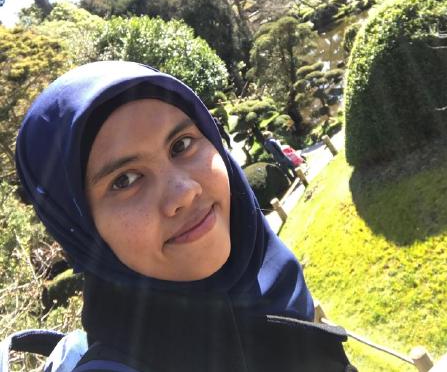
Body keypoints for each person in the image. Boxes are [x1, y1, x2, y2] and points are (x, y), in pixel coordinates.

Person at [15, 61, 355, 371]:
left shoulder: (274, 276)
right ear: (78, 229)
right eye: (125, 180)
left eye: (181, 145)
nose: (184, 192)